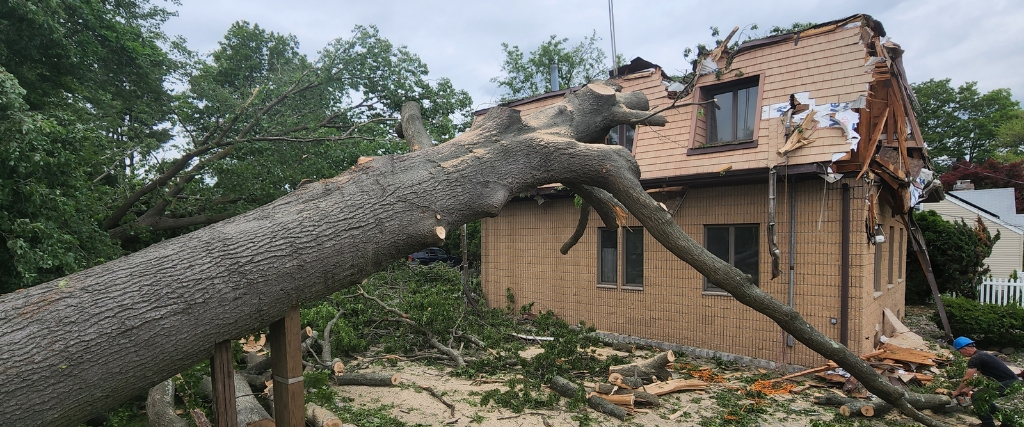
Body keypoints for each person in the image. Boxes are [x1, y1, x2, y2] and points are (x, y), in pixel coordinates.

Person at [951, 336, 1021, 427]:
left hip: (1007, 383)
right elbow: (978, 378)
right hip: (1012, 383)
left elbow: (967, 378)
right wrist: (967, 390)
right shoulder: (982, 355)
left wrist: (957, 391)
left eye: (960, 351)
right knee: (984, 399)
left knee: (978, 397)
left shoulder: (975, 358)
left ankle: (988, 424)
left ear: (965, 349)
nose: (961, 354)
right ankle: (1007, 421)